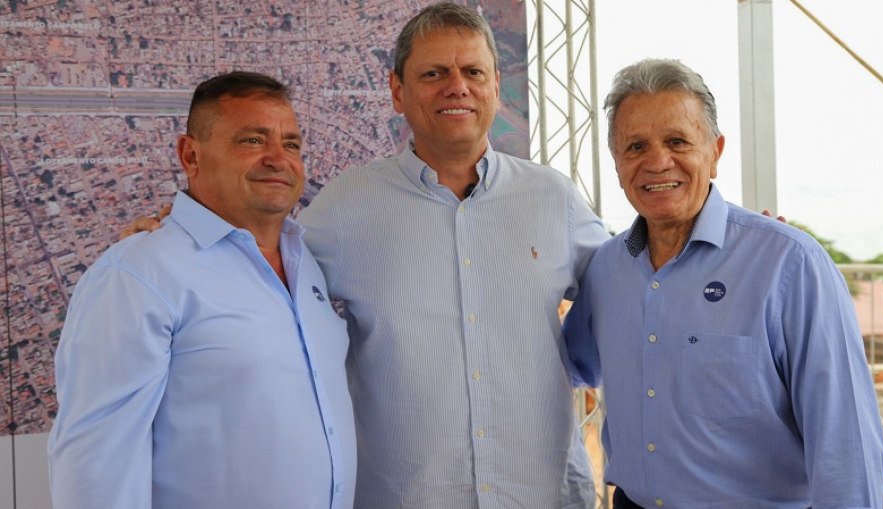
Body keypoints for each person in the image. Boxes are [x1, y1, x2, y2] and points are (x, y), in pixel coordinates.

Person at [120, 4, 608, 507]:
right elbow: (254, 272)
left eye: (473, 72)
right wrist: (173, 233)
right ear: (397, 90)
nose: (456, 86)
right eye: (434, 73)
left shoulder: (556, 199)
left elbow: (624, 292)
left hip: (542, 495)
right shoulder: (343, 210)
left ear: (496, 84)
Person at [563, 58, 883, 508]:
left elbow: (844, 443)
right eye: (635, 146)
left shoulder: (790, 264)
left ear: (714, 152)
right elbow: (566, 366)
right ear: (617, 162)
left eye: (677, 141)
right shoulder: (606, 269)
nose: (657, 161)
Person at [48, 71, 356, 509]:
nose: (278, 158)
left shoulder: (307, 262)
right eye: (253, 140)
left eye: (291, 144)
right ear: (190, 156)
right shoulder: (138, 276)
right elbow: (95, 470)